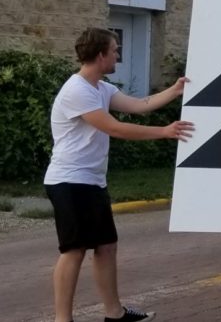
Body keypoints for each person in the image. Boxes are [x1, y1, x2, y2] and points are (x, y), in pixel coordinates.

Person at [45, 28, 194, 322]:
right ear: (100, 55)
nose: (117, 55)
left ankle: (115, 314)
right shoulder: (77, 90)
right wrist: (163, 132)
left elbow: (140, 106)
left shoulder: (102, 88)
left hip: (91, 181)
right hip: (68, 181)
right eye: (114, 50)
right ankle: (62, 319)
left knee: (106, 247)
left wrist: (174, 90)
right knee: (73, 250)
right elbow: (114, 127)